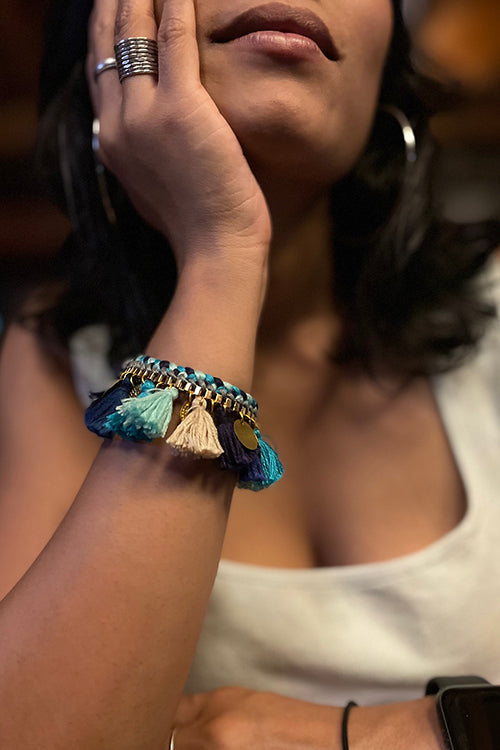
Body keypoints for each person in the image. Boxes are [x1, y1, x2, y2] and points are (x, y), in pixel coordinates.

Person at [0, 0, 499, 747]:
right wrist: (223, 255)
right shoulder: (49, 357)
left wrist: (411, 732)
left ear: (386, 82)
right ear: (108, 49)